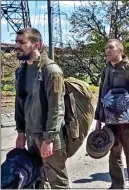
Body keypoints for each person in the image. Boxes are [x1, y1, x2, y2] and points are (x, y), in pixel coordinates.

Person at [14, 28, 70, 188]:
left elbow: (57, 108)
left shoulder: (51, 71)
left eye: (22, 42)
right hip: (31, 136)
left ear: (36, 44)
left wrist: (49, 139)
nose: (17, 46)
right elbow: (20, 104)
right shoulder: (21, 71)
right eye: (16, 42)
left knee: (57, 181)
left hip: (48, 137)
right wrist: (21, 132)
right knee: (35, 180)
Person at [94, 39, 129, 189]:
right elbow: (101, 95)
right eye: (106, 48)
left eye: (111, 48)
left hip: (128, 123)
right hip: (110, 122)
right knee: (114, 154)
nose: (107, 51)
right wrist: (98, 120)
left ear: (120, 51)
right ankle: (117, 184)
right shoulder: (106, 69)